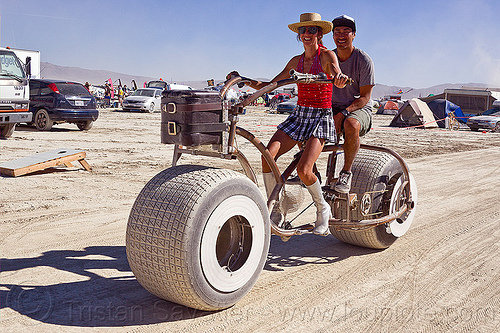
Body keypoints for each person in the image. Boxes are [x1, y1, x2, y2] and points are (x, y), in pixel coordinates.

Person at [228, 13, 348, 236]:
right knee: (267, 156)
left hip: (320, 116)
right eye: (303, 31)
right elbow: (272, 84)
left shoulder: (327, 56)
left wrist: (339, 77)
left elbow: (336, 73)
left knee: (304, 170)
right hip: (300, 115)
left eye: (312, 30)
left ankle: (323, 209)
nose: (306, 34)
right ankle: (276, 209)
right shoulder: (296, 62)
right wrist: (245, 80)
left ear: (319, 34)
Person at [330, 15, 375, 194]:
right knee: (304, 122)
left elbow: (365, 97)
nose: (341, 35)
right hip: (332, 106)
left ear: (354, 34)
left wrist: (343, 113)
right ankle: (312, 172)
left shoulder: (364, 60)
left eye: (346, 31)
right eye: (337, 32)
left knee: (351, 124)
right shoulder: (329, 57)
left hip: (358, 107)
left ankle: (346, 172)